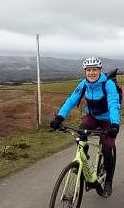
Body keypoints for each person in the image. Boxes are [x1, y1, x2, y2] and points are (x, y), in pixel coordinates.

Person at [49, 56, 120, 197]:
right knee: (81, 133)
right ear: (85, 71)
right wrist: (59, 117)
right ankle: (82, 161)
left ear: (100, 70)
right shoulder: (83, 84)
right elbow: (71, 100)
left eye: (94, 69)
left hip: (108, 120)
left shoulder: (108, 84)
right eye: (88, 70)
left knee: (106, 150)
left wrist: (114, 125)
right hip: (92, 116)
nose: (91, 73)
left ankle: (108, 182)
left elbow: (113, 104)